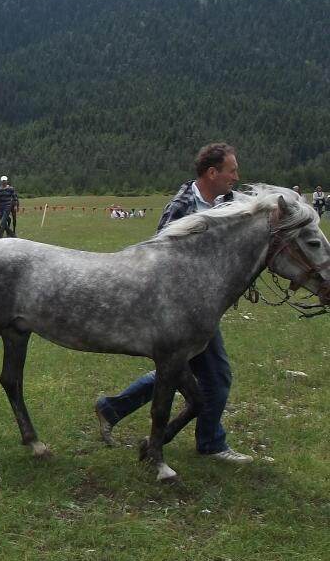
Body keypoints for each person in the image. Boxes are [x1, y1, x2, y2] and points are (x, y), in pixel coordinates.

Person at [95, 142, 253, 465]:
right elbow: (158, 254)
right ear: (212, 172)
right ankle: (210, 443)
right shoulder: (181, 205)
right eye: (232, 170)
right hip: (179, 311)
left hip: (203, 308)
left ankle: (113, 407)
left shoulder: (227, 204)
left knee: (178, 369)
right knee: (214, 374)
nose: (236, 177)